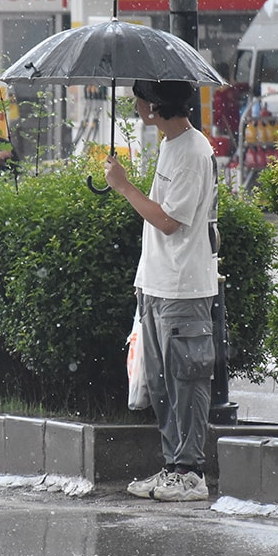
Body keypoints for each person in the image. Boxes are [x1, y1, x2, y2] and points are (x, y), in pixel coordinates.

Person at [104, 80, 218, 503]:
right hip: (157, 284)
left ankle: (190, 473)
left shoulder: (191, 151)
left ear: (153, 106)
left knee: (186, 382)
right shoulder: (173, 144)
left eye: (138, 100)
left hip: (182, 288)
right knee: (163, 384)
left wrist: (123, 186)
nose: (134, 107)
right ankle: (173, 466)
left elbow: (171, 221)